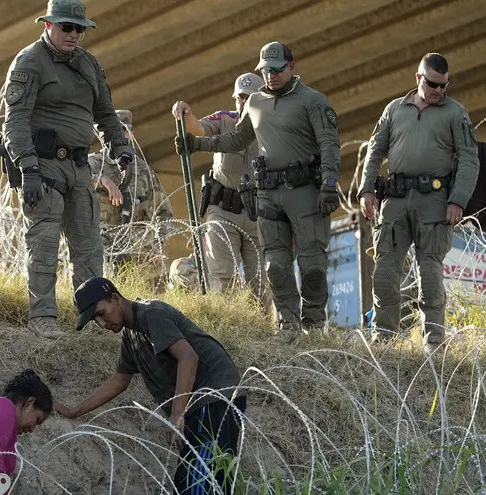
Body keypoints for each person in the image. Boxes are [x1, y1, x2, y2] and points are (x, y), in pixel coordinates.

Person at [57, 277, 244, 495]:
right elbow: (120, 381)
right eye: (94, 320)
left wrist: (177, 414)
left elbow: (188, 357)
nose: (101, 323)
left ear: (116, 298)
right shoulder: (132, 336)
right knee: (188, 488)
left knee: (200, 489)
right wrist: (74, 411)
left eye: (100, 313)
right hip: (201, 406)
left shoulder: (151, 314)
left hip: (216, 397)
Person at [175, 42, 341, 343]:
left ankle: (314, 326)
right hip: (269, 194)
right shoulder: (255, 103)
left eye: (276, 70)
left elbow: (330, 144)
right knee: (275, 265)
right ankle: (287, 326)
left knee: (312, 264)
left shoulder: (313, 101)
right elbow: (236, 139)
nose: (270, 76)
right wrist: (197, 145)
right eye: (265, 70)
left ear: (291, 66)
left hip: (305, 192)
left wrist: (329, 184)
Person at [3, 0, 134, 340]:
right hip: (43, 165)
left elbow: (105, 114)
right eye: (67, 27)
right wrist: (27, 167)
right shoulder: (30, 61)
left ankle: (95, 321)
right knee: (44, 244)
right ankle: (43, 317)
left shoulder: (89, 64)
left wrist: (121, 149)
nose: (74, 34)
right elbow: (14, 120)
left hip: (78, 166)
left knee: (89, 248)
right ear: (48, 26)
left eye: (80, 29)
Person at [358, 52, 480, 351]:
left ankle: (434, 342)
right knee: (386, 272)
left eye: (444, 86)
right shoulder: (395, 109)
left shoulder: (455, 113)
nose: (439, 91)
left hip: (434, 202)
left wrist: (458, 200)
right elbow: (375, 151)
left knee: (429, 274)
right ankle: (383, 340)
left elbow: (469, 159)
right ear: (418, 79)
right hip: (395, 201)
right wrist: (366, 189)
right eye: (432, 84)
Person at [172, 73, 268, 303]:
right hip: (224, 211)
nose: (243, 102)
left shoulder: (271, 128)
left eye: (250, 98)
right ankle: (223, 329)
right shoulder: (225, 120)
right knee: (223, 277)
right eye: (240, 98)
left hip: (258, 215)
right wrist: (186, 113)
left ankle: (262, 335)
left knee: (261, 284)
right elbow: (198, 129)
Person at [89, 109, 174, 272]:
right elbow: (70, 187)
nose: (120, 135)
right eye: (115, 130)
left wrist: (159, 243)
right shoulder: (92, 165)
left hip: (134, 251)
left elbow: (163, 212)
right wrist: (101, 180)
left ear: (131, 134)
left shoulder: (143, 171)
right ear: (103, 134)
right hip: (97, 249)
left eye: (124, 130)